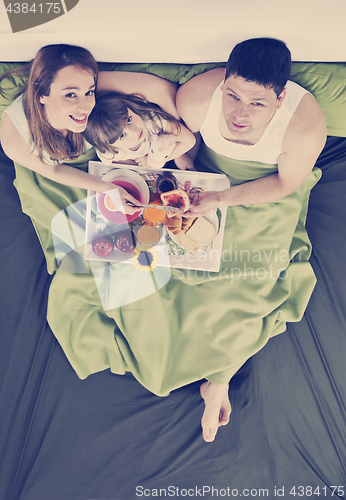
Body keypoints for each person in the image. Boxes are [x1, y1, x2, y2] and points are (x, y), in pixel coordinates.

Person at [176, 38, 327, 441]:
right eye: (233, 95)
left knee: (251, 280)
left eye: (257, 103)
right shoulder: (196, 98)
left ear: (278, 101)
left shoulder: (305, 125)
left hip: (263, 191)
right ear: (223, 83)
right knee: (177, 269)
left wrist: (221, 200)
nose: (239, 113)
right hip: (209, 177)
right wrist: (185, 164)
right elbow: (176, 135)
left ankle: (220, 380)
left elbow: (284, 184)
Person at [0, 44, 188, 213]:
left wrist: (174, 145)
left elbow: (164, 91)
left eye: (88, 92)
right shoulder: (14, 138)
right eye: (70, 94)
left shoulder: (96, 88)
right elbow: (53, 171)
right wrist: (108, 189)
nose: (85, 108)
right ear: (41, 93)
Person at [83, 90, 195, 170]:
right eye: (122, 136)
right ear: (111, 146)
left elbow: (190, 140)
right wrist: (135, 164)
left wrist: (152, 162)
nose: (134, 131)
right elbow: (114, 159)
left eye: (129, 120)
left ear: (129, 107)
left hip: (164, 148)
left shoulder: (153, 122)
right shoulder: (108, 151)